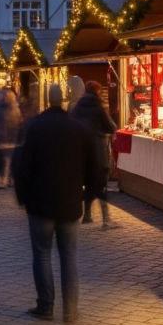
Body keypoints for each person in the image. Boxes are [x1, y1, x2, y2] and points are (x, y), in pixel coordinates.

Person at [13, 83, 97, 322]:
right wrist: (87, 195)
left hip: (40, 204)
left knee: (41, 254)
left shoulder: (35, 127)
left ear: (48, 100)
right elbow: (94, 166)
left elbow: (22, 166)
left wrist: (23, 197)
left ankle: (46, 305)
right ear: (64, 99)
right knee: (69, 256)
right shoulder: (78, 128)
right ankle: (70, 309)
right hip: (70, 202)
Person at [71, 80, 119, 228]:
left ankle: (87, 215)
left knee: (88, 183)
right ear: (97, 92)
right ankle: (106, 219)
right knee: (99, 185)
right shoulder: (98, 107)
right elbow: (110, 126)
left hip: (80, 153)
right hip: (97, 151)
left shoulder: (77, 107)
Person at [0, 86, 22, 189]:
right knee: (8, 160)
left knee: (4, 160)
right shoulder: (15, 108)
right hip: (10, 138)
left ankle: (4, 180)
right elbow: (19, 122)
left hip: (2, 138)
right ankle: (9, 179)